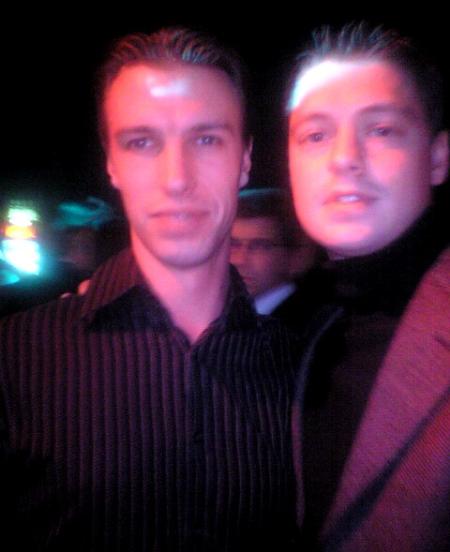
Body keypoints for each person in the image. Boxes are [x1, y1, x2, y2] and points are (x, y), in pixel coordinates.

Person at [0, 27, 299, 551]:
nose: (176, 178)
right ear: (111, 164)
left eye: (206, 139)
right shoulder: (14, 358)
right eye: (142, 142)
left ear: (245, 160)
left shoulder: (300, 365)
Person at [286, 23, 450, 551]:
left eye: (380, 129)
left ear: (438, 157)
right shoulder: (293, 330)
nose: (344, 157)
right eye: (316, 135)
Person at [230, 187, 318, 327]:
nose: (239, 260)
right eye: (233, 244)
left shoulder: (313, 326)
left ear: (295, 257)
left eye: (260, 246)